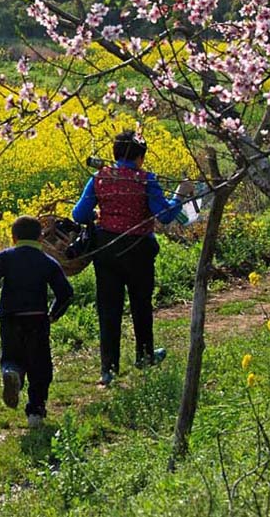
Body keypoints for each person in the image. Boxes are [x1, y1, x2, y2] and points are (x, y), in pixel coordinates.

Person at [72, 130, 193, 387]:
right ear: (139, 156)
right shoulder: (146, 180)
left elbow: (79, 214)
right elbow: (165, 216)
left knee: (109, 309)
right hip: (138, 250)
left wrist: (100, 212)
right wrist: (180, 195)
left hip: (106, 251)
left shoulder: (100, 177)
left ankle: (108, 369)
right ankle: (145, 355)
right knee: (141, 304)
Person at [0, 216, 74, 428]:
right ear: (40, 237)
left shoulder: (5, 257)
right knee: (40, 365)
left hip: (10, 316)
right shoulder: (47, 261)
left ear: (13, 237)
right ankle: (35, 410)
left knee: (11, 354)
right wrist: (54, 314)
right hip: (37, 317)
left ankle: (12, 373)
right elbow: (66, 293)